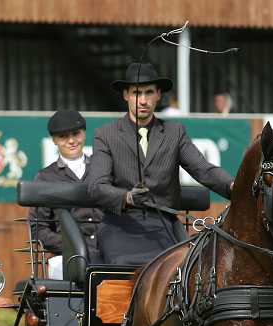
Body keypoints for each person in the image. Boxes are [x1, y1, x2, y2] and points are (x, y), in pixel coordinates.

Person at [86, 63, 234, 265]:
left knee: (180, 269)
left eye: (149, 92)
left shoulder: (175, 132)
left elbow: (202, 168)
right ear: (125, 95)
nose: (143, 100)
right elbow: (96, 187)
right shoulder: (105, 134)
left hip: (163, 224)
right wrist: (128, 197)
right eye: (137, 93)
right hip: (119, 224)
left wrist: (234, 187)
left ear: (158, 95)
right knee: (123, 267)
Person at [27, 109, 104, 279]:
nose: (71, 141)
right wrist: (74, 246)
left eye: (75, 133)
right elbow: (38, 229)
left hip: (108, 254)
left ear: (84, 134)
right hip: (65, 258)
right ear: (54, 140)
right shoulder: (45, 178)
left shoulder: (104, 170)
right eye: (63, 136)